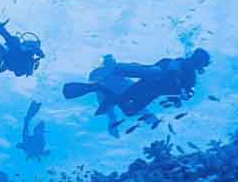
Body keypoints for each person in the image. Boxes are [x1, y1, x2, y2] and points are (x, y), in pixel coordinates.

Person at [63, 49, 211, 136]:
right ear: (200, 62)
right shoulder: (187, 70)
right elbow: (182, 84)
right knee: (132, 103)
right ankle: (113, 77)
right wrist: (182, 95)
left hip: (152, 85)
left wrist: (179, 96)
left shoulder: (187, 69)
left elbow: (184, 89)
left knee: (129, 109)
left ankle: (103, 86)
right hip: (156, 81)